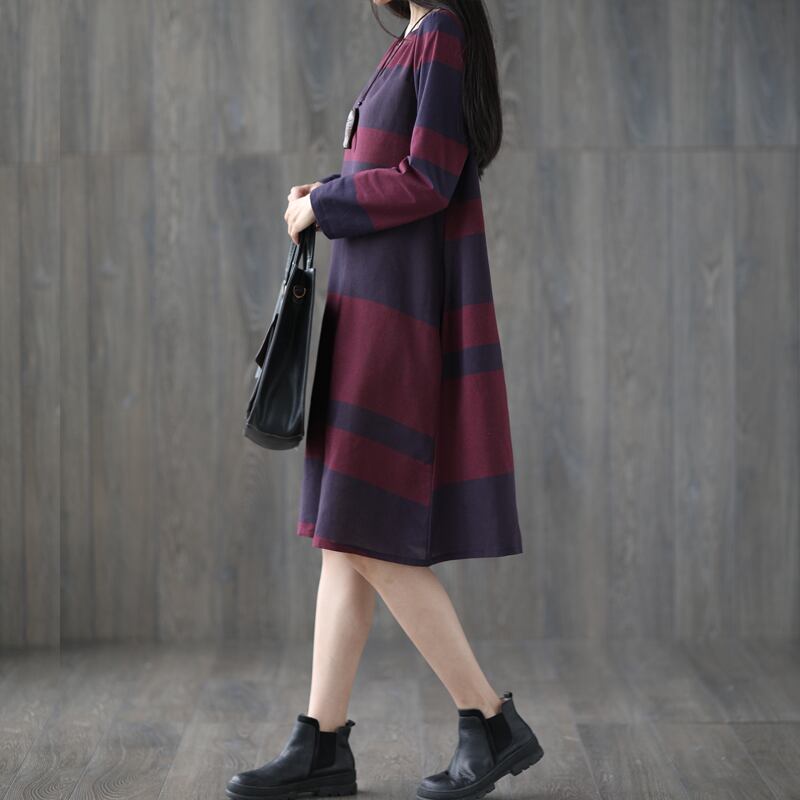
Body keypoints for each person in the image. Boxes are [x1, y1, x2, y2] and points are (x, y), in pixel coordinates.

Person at [227, 2, 543, 799]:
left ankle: (490, 721)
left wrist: (326, 207)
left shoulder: (439, 35)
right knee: (346, 538)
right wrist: (331, 189)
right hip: (372, 308)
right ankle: (321, 745)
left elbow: (427, 179)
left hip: (393, 320)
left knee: (367, 536)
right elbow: (397, 169)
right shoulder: (416, 39)